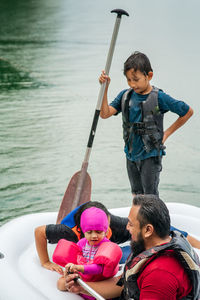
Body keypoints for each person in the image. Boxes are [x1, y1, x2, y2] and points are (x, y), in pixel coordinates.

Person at [64, 195, 200, 299]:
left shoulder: (159, 276)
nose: (127, 227)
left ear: (148, 230)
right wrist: (82, 287)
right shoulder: (149, 247)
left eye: (131, 224)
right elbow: (123, 284)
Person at [99, 51, 193, 196]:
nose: (132, 84)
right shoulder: (125, 96)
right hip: (130, 154)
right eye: (129, 80)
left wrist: (166, 133)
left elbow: (187, 112)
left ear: (149, 76)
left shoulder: (159, 98)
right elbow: (104, 114)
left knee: (150, 196)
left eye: (135, 79)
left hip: (150, 155)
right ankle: (138, 219)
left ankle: (153, 219)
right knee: (136, 195)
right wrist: (104, 89)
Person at [35, 201, 200, 274]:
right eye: (91, 232)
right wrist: (45, 262)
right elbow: (39, 231)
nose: (98, 235)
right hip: (77, 231)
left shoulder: (112, 224)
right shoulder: (69, 232)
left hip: (109, 232)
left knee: (151, 230)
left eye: (102, 230)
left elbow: (159, 229)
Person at [54, 207, 122, 299]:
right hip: (83, 276)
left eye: (98, 232)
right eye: (89, 232)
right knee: (60, 284)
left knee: (91, 296)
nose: (94, 236)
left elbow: (100, 269)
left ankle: (82, 289)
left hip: (99, 281)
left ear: (105, 231)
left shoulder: (107, 246)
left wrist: (79, 268)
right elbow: (76, 258)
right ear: (83, 231)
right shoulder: (82, 243)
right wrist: (71, 268)